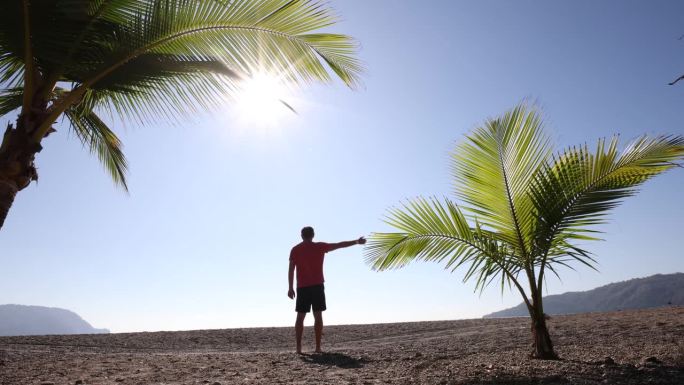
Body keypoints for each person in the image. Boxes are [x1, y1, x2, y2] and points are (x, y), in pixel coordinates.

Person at [288, 226, 366, 354]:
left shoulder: (295, 249)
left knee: (300, 316)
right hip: (317, 285)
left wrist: (290, 288)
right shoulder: (319, 246)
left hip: (302, 287)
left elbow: (291, 269)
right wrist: (356, 242)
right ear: (313, 235)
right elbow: (340, 245)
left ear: (301, 235)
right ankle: (318, 347)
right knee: (317, 315)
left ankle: (298, 348)